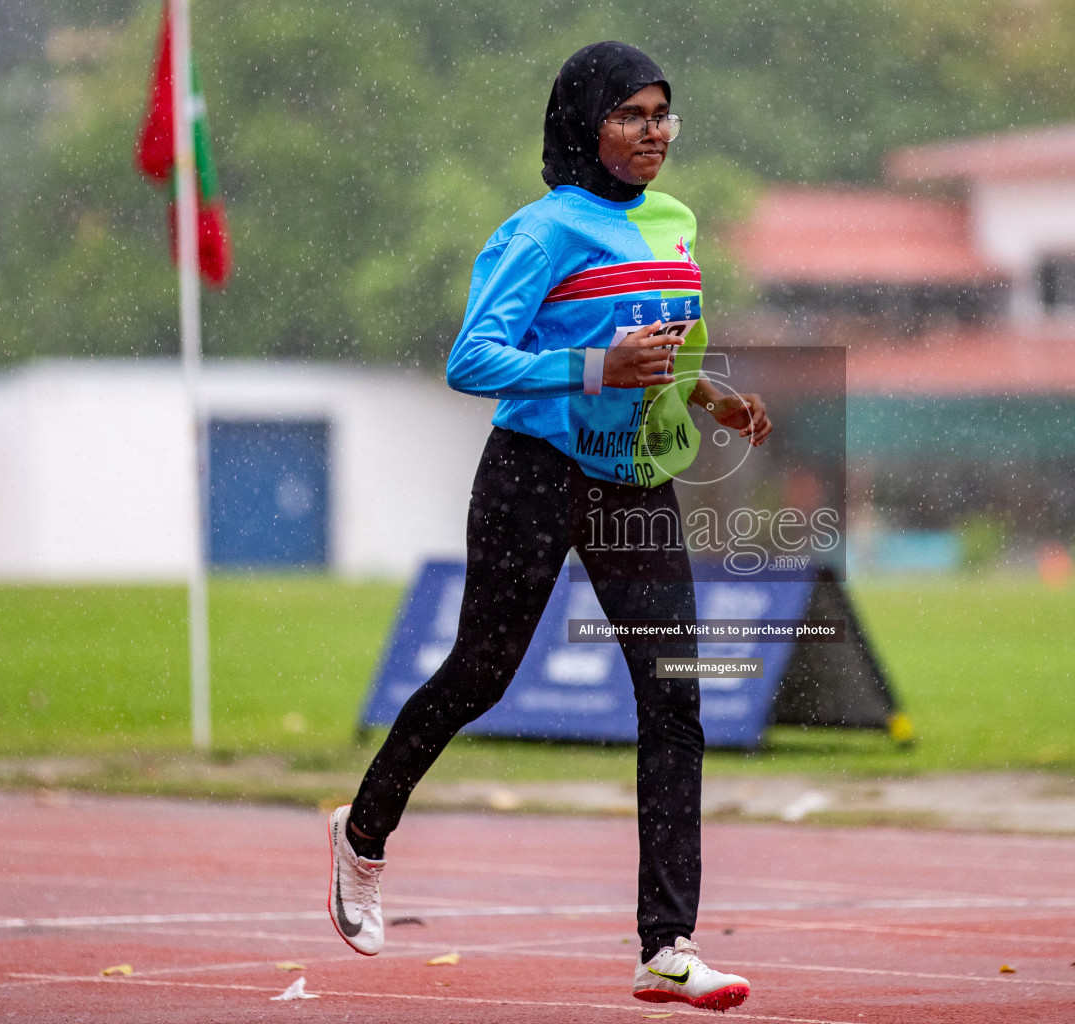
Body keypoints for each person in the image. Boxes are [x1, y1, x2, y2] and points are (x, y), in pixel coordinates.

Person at [327, 41, 769, 1014]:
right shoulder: (539, 234)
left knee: (675, 697)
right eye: (633, 115)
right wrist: (592, 369)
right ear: (584, 125)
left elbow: (667, 344)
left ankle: (668, 944)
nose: (655, 132)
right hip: (534, 472)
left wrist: (709, 394)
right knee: (478, 674)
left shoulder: (677, 222)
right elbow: (472, 359)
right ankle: (363, 831)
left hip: (634, 482)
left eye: (665, 114)